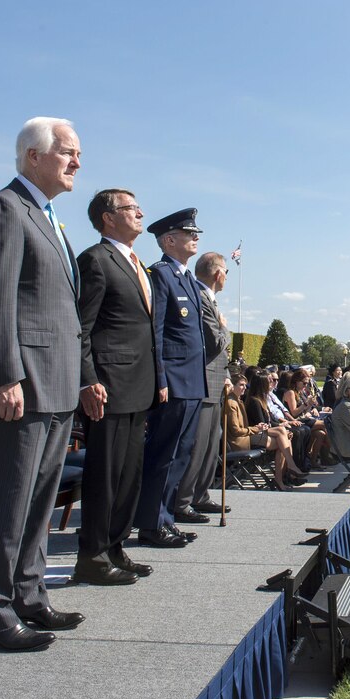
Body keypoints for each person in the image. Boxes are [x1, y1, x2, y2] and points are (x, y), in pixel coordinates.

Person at [0, 116, 85, 651]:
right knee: (6, 504)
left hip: (56, 386)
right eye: (68, 152)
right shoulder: (3, 208)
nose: (77, 161)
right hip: (19, 385)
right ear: (34, 156)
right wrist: (5, 375)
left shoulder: (50, 218)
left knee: (38, 501)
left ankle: (28, 595)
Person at [73, 188, 158, 585]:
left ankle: (115, 546)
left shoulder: (137, 262)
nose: (140, 213)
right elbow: (82, 329)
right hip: (109, 384)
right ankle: (91, 555)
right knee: (104, 475)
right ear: (108, 218)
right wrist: (88, 380)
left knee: (129, 475)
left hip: (139, 384)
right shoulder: (95, 260)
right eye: (130, 208)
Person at [134, 209, 207, 548]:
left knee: (181, 452)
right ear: (168, 240)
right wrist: (160, 379)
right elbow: (157, 334)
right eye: (188, 233)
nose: (195, 238)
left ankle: (165, 518)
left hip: (192, 381)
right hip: (174, 382)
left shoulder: (188, 279)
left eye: (196, 233)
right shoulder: (160, 275)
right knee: (163, 454)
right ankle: (151, 524)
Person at [174, 252, 232, 525]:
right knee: (197, 447)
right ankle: (183, 501)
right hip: (202, 382)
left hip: (216, 381)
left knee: (211, 446)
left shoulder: (210, 299)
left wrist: (228, 374)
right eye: (226, 273)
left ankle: (200, 493)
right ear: (218, 273)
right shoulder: (199, 297)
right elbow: (215, 342)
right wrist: (225, 329)